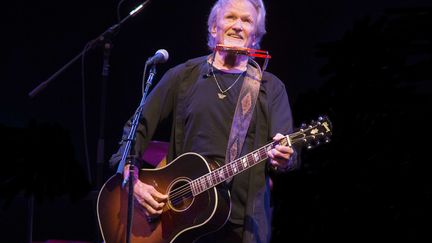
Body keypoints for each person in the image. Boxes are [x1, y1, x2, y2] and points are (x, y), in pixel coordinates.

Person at [109, 0, 300, 242]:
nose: (238, 26)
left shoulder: (270, 88)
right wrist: (130, 177)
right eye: (231, 17)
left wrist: (284, 156)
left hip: (242, 229)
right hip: (178, 224)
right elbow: (136, 129)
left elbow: (287, 153)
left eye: (247, 20)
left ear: (255, 36)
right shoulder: (183, 76)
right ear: (213, 28)